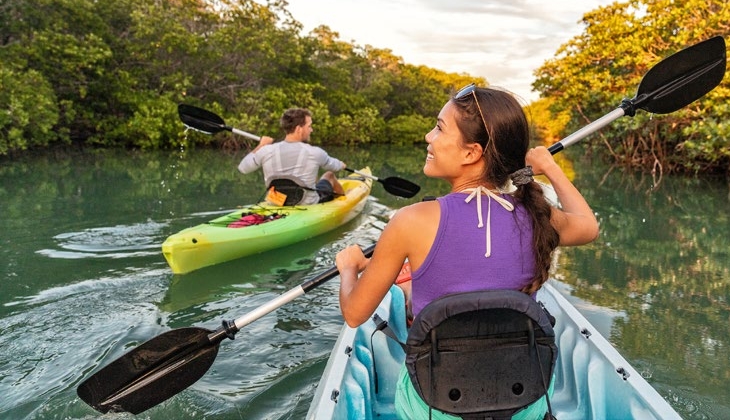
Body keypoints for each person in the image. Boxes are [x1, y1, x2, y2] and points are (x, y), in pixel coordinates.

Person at [335, 84, 599, 419]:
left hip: (435, 407)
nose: (429, 137)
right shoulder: (537, 215)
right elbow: (588, 226)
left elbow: (355, 314)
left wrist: (348, 267)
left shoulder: (410, 221)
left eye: (439, 128)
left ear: (471, 152)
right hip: (521, 403)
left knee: (406, 293)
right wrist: (549, 167)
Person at [238, 107, 346, 205]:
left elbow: (243, 168)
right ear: (299, 129)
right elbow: (334, 166)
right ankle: (344, 203)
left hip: (276, 203)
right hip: (306, 203)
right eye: (309, 126)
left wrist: (261, 145)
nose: (311, 130)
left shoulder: (266, 150)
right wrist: (342, 165)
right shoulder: (315, 152)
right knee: (329, 175)